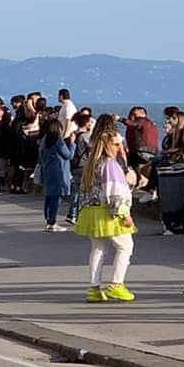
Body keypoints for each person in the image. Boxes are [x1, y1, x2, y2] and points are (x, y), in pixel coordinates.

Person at [74, 130, 137, 303]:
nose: (120, 148)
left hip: (91, 211)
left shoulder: (92, 163)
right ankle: (116, 284)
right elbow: (116, 191)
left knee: (98, 248)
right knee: (125, 246)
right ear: (109, 145)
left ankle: (94, 287)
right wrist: (124, 213)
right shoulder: (110, 165)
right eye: (116, 144)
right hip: (108, 212)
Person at [38, 119, 74, 232]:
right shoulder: (58, 141)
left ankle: (49, 220)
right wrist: (72, 144)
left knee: (49, 196)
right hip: (58, 171)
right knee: (56, 197)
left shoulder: (44, 140)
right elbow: (68, 155)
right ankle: (52, 222)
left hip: (48, 170)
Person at [66, 113, 92, 225]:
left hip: (74, 165)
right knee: (84, 192)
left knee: (75, 190)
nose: (91, 124)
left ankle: (72, 214)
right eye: (90, 122)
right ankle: (78, 214)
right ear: (86, 123)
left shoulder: (73, 134)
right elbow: (92, 150)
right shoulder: (86, 136)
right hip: (84, 165)